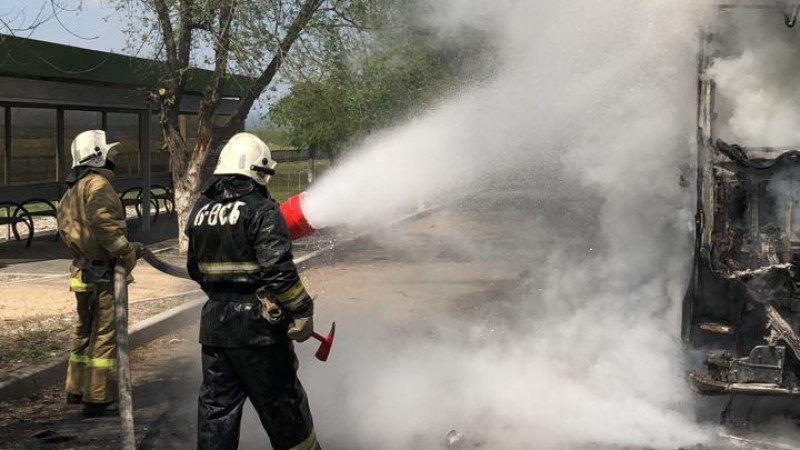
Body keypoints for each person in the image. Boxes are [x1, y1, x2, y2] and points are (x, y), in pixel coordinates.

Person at [186, 132, 320, 450]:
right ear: (258, 171)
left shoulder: (201, 210)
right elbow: (279, 272)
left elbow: (194, 268)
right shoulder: (262, 210)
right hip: (259, 332)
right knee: (284, 407)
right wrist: (302, 311)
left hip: (215, 327)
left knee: (217, 413)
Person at [57, 130, 138, 417]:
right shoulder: (99, 185)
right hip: (102, 274)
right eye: (109, 154)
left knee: (83, 331)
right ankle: (99, 398)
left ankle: (76, 389)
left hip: (80, 272)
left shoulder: (72, 189)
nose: (113, 160)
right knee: (105, 333)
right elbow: (104, 224)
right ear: (97, 156)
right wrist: (126, 252)